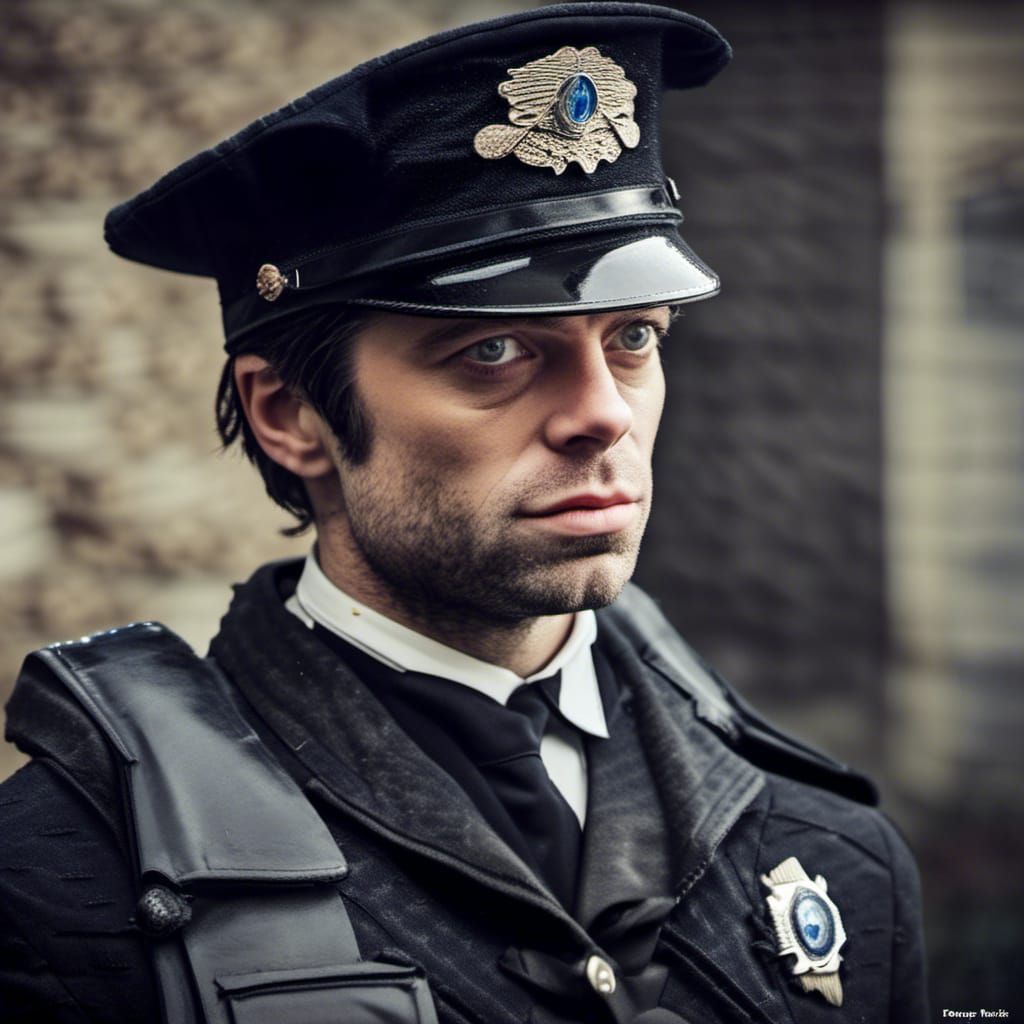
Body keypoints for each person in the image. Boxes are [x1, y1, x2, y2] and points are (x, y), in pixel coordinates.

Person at [0, 4, 927, 1022]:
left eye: (632, 338)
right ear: (290, 414)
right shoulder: (63, 890)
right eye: (493, 351)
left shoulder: (837, 854)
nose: (603, 414)